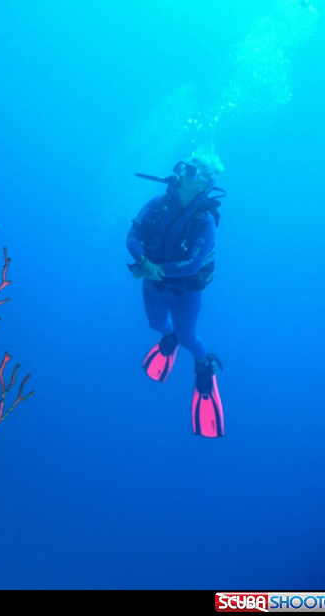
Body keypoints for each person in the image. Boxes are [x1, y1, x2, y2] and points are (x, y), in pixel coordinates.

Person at [126, 150, 226, 438]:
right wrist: (143, 261)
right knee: (156, 325)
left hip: (184, 292)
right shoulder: (157, 204)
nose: (182, 174)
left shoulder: (205, 222)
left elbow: (193, 264)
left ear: (204, 183)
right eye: (183, 167)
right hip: (153, 283)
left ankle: (203, 365)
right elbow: (132, 235)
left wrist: (151, 267)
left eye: (192, 172)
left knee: (188, 339)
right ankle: (166, 336)